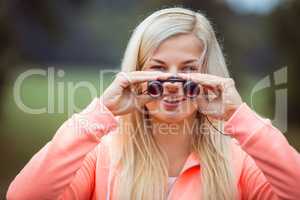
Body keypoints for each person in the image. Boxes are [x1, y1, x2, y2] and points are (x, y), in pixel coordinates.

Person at [6, 7, 300, 200]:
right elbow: (24, 196)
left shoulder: (238, 161)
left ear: (210, 75)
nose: (173, 84)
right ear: (135, 72)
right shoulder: (103, 155)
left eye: (188, 70)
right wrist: (102, 113)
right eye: (158, 68)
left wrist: (238, 116)